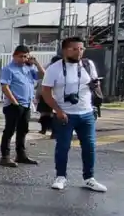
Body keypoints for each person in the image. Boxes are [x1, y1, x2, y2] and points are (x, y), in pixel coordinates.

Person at [40, 37, 108, 192]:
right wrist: (58, 110)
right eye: (74, 49)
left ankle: (89, 178)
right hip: (65, 114)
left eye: (81, 48)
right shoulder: (54, 68)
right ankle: (61, 177)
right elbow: (46, 92)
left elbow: (95, 84)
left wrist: (95, 96)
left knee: (89, 147)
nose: (79, 52)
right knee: (63, 146)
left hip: (87, 113)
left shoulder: (88, 65)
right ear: (65, 50)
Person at [0, 45, 43, 167]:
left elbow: (43, 75)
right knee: (10, 130)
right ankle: (5, 157)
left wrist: (36, 62)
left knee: (23, 130)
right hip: (14, 105)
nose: (23, 59)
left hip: (27, 104)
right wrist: (14, 102)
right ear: (14, 56)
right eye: (21, 56)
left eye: (26, 56)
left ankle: (21, 155)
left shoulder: (28, 69)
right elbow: (5, 87)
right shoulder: (8, 69)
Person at [37, 56, 62, 137]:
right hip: (47, 94)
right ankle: (46, 130)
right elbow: (41, 82)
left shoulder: (62, 70)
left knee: (51, 114)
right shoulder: (48, 68)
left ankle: (51, 131)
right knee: (46, 114)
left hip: (53, 95)